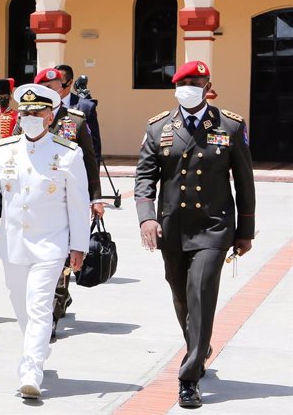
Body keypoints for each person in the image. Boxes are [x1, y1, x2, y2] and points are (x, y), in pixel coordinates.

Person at [135, 60, 256, 408]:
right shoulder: (159, 127)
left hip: (214, 228)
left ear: (207, 86)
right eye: (184, 82)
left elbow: (244, 180)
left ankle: (188, 378)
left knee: (201, 292)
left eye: (196, 82)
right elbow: (144, 178)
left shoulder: (229, 125)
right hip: (172, 228)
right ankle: (199, 345)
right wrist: (146, 218)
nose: (189, 86)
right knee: (181, 296)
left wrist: (244, 230)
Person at [0, 83, 90, 399]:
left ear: (50, 117)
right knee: (21, 306)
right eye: (25, 113)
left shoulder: (68, 153)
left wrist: (79, 245)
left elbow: (79, 203)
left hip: (50, 245)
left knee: (39, 307)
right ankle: (36, 351)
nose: (30, 117)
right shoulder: (4, 149)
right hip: (13, 245)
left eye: (37, 113)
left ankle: (31, 372)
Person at [15, 68, 103, 334]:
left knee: (59, 258)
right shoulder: (26, 119)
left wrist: (95, 198)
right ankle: (56, 301)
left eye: (55, 86)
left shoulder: (75, 120)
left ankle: (49, 315)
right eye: (46, 87)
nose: (52, 91)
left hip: (66, 203)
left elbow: (90, 160)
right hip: (36, 203)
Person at [54, 64, 102, 165]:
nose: (57, 88)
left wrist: (93, 178)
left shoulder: (85, 107)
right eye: (53, 84)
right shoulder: (46, 107)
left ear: (70, 82)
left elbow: (93, 147)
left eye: (61, 84)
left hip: (75, 167)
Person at [0, 61, 18, 219]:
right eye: (0, 97)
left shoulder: (15, 115)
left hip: (10, 151)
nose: (2, 99)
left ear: (10, 98)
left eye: (5, 97)